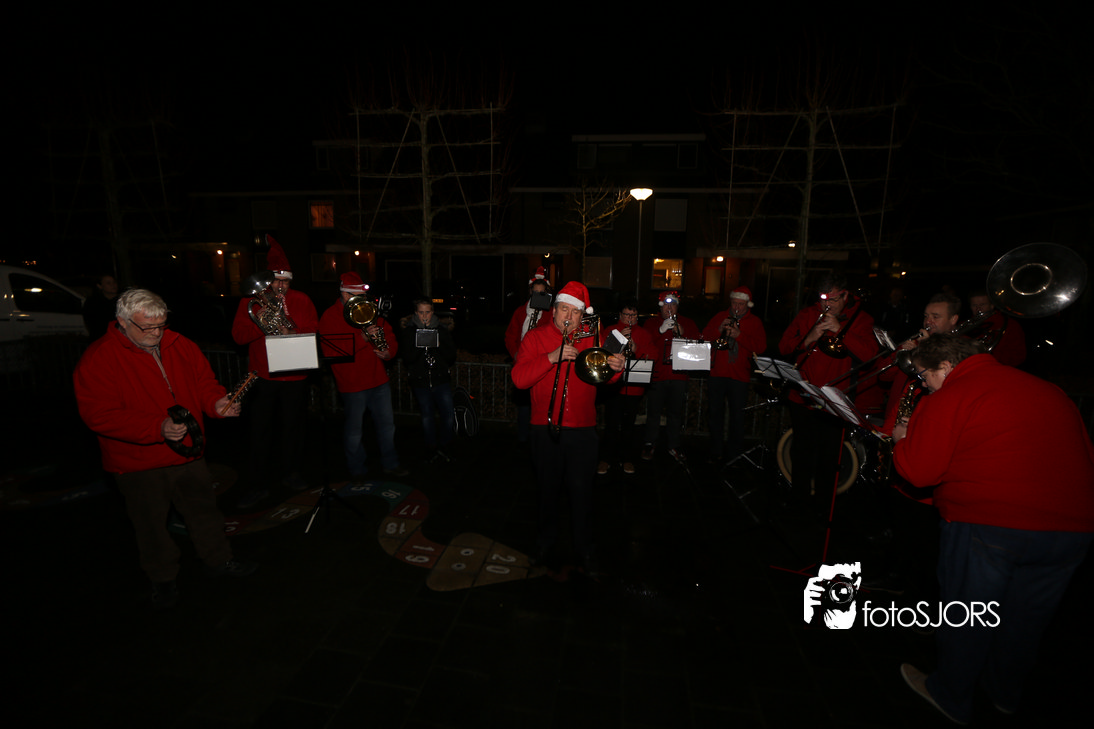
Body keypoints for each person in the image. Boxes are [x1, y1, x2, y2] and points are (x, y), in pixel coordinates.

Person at [891, 334, 1094, 725]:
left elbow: (918, 471)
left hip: (991, 525)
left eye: (924, 376)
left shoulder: (953, 392)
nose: (924, 385)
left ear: (945, 366)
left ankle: (950, 695)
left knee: (969, 617)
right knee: (1025, 622)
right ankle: (1004, 694)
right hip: (1073, 529)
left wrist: (903, 440)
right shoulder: (1047, 389)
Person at [73, 289, 256, 609]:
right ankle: (163, 579)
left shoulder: (179, 344)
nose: (156, 333)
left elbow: (203, 383)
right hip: (138, 462)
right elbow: (98, 415)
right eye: (147, 327)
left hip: (188, 451)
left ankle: (219, 560)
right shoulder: (99, 357)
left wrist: (216, 404)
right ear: (122, 322)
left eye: (161, 325)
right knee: (151, 526)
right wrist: (156, 428)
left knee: (205, 512)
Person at [512, 281, 625, 574]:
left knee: (582, 493)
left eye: (575, 312)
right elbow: (519, 379)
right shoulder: (536, 337)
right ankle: (544, 544)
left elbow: (606, 377)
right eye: (564, 309)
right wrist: (552, 357)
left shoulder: (592, 338)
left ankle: (585, 549)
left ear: (582, 315)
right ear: (554, 309)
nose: (569, 316)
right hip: (544, 428)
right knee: (546, 492)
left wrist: (616, 369)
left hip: (583, 430)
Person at [231, 236, 319, 508]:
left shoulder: (302, 299)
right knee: (259, 432)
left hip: (295, 376)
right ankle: (257, 484)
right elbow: (237, 337)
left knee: (293, 429)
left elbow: (314, 330)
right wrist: (260, 323)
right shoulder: (252, 302)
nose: (281, 286)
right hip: (263, 377)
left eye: (286, 282)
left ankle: (291, 474)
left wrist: (291, 331)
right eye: (276, 281)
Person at [777, 273, 876, 510]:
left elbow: (870, 356)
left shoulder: (861, 319)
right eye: (823, 300)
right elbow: (783, 347)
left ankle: (824, 507)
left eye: (832, 300)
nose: (826, 306)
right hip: (802, 396)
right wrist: (809, 338)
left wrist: (841, 329)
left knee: (829, 457)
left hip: (834, 401)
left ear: (845, 295)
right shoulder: (807, 314)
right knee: (802, 453)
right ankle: (798, 502)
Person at [319, 272, 408, 483]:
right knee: (354, 431)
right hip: (352, 383)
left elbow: (389, 335)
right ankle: (357, 469)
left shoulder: (367, 309)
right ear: (344, 293)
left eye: (362, 296)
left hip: (378, 380)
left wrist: (389, 352)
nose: (360, 301)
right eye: (355, 296)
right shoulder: (330, 316)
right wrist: (362, 338)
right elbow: (331, 351)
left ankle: (391, 463)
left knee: (387, 426)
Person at [880, 293, 961, 436]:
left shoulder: (960, 349)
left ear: (953, 319)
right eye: (926, 316)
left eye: (935, 317)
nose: (928, 322)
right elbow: (883, 375)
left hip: (923, 424)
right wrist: (900, 352)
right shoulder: (915, 341)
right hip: (895, 417)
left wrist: (926, 351)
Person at [702, 286, 766, 464]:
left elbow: (761, 347)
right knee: (715, 414)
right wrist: (719, 329)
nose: (736, 307)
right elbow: (704, 336)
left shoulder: (755, 322)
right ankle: (715, 451)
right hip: (717, 373)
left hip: (739, 376)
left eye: (741, 304)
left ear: (748, 304)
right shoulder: (720, 316)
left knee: (737, 417)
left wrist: (739, 335)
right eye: (734, 303)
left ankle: (734, 454)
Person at [598, 299, 656, 475]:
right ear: (620, 315)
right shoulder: (611, 331)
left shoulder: (644, 333)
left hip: (634, 387)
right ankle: (606, 458)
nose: (630, 318)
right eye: (626, 314)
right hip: (613, 387)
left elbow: (652, 356)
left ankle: (627, 458)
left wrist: (636, 349)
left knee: (629, 426)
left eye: (633, 315)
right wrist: (618, 340)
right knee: (611, 424)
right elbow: (602, 353)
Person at [641, 291, 701, 463]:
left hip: (678, 376)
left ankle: (674, 445)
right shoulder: (651, 323)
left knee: (675, 414)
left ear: (677, 307)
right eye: (666, 305)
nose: (669, 308)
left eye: (673, 304)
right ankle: (650, 443)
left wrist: (683, 333)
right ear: (660, 307)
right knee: (653, 413)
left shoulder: (688, 323)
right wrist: (660, 331)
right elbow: (644, 344)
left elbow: (698, 346)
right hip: (657, 375)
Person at [399, 298, 457, 463]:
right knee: (427, 416)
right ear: (415, 313)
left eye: (428, 312)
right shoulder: (410, 331)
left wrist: (437, 343)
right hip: (420, 380)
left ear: (433, 312)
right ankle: (430, 447)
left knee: (448, 415)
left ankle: (445, 446)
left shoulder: (441, 329)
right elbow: (408, 358)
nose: (425, 316)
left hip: (440, 379)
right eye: (421, 312)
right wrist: (422, 342)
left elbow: (451, 356)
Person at [505, 267, 552, 443]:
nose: (537, 295)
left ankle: (541, 438)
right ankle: (523, 439)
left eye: (542, 292)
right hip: (523, 364)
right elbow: (510, 336)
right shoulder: (520, 311)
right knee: (524, 405)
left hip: (542, 364)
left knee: (541, 404)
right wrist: (516, 353)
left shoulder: (551, 314)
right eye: (535, 292)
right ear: (530, 291)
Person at [968, 289, 1026, 367]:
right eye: (974, 305)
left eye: (982, 304)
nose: (978, 309)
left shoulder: (1010, 325)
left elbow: (1019, 356)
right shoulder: (966, 325)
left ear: (992, 306)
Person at [82, 273, 120, 339]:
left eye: (114, 282)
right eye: (108, 283)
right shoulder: (93, 302)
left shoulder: (123, 301)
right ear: (100, 286)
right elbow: (91, 323)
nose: (113, 285)